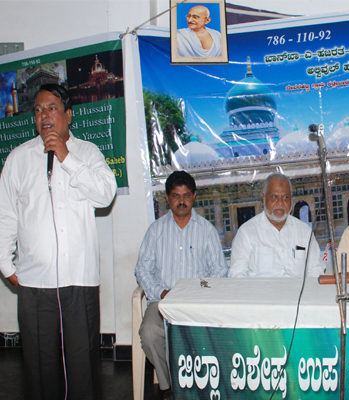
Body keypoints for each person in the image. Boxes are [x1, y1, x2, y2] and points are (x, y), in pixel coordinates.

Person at [0, 83, 117, 399]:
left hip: (79, 280)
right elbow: (5, 215)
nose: (44, 116)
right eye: (38, 110)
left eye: (51, 108)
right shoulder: (18, 159)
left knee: (82, 367)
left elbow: (105, 194)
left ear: (68, 114)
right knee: (39, 368)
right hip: (34, 283)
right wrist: (6, 266)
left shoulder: (87, 153)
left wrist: (66, 157)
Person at [135, 170, 228, 399]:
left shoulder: (206, 230)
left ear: (194, 196)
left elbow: (219, 271)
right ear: (167, 198)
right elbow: (142, 269)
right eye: (176, 196)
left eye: (186, 195)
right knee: (149, 333)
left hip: (198, 302)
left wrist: (198, 292)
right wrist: (161, 292)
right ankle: (168, 386)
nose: (182, 201)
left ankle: (204, 384)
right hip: (162, 302)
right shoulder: (155, 230)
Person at [229, 172, 325, 278]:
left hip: (298, 289)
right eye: (274, 197)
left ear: (291, 199)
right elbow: (237, 274)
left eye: (285, 197)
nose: (280, 202)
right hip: (261, 289)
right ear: (263, 198)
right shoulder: (246, 232)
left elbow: (316, 269)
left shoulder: (304, 231)